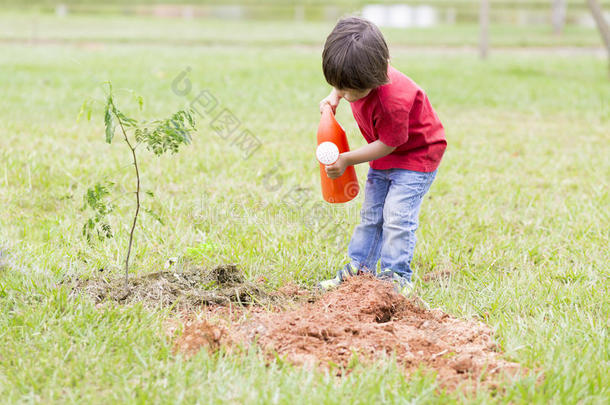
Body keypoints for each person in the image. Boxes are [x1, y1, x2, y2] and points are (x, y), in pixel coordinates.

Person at [318, 16, 447, 296]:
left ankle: (396, 277)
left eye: (354, 89)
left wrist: (347, 159)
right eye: (342, 85)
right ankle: (359, 270)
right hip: (387, 153)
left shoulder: (393, 101)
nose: (350, 95)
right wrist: (334, 95)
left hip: (416, 156)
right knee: (372, 215)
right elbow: (345, 85)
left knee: (397, 216)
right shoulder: (356, 76)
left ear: (373, 76)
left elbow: (389, 143)